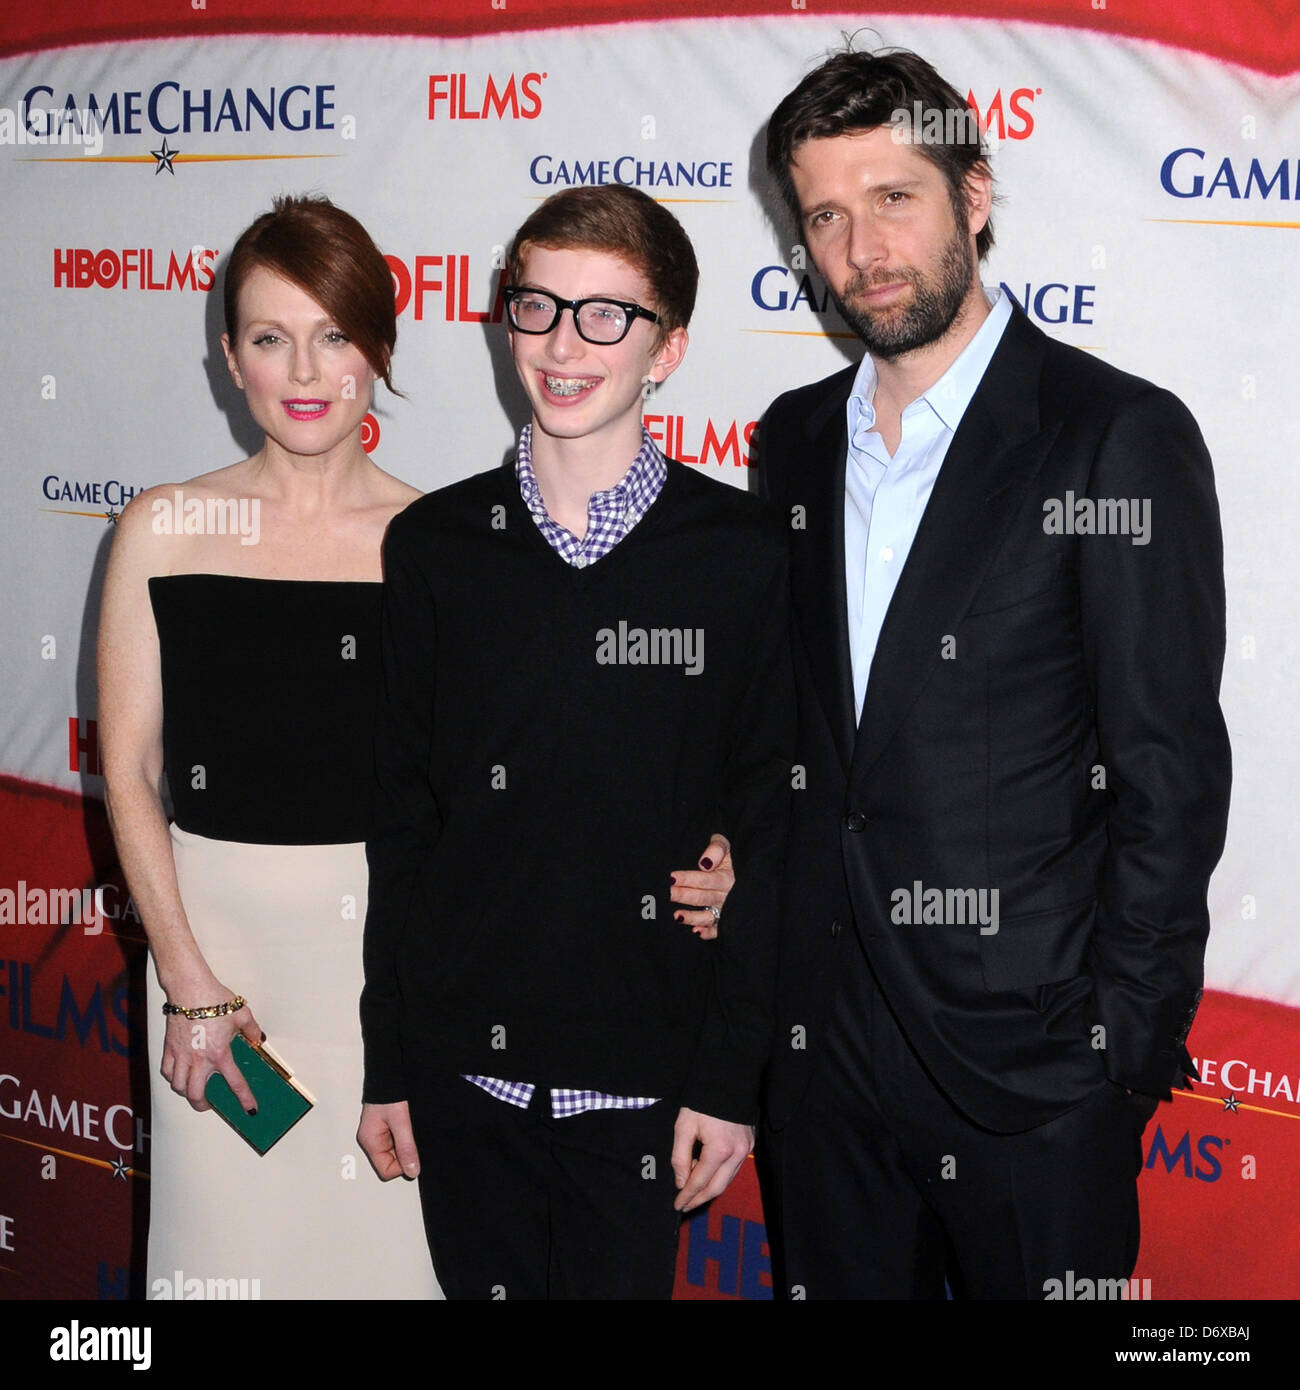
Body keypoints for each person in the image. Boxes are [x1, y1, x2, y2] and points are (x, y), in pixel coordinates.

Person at [755, 48, 1231, 1300]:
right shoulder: (793, 439)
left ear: (972, 194)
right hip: (823, 1056)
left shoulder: (1113, 433)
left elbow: (1168, 770)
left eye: (893, 197)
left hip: (1032, 1069)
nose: (860, 246)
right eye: (823, 214)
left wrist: (1119, 1052)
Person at [357, 183, 793, 1300]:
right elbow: (402, 820)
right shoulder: (436, 546)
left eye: (606, 315)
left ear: (670, 347)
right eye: (537, 307)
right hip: (464, 1080)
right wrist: (391, 1059)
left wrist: (730, 1078)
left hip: (646, 1089)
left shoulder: (743, 555)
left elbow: (772, 822)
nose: (562, 344)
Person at [98, 195, 439, 1299]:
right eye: (269, 335)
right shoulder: (163, 526)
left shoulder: (434, 547)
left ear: (379, 350)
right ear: (227, 355)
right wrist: (188, 982)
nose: (305, 368)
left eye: (336, 332)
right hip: (217, 979)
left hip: (383, 982)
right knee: (224, 1271)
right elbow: (130, 768)